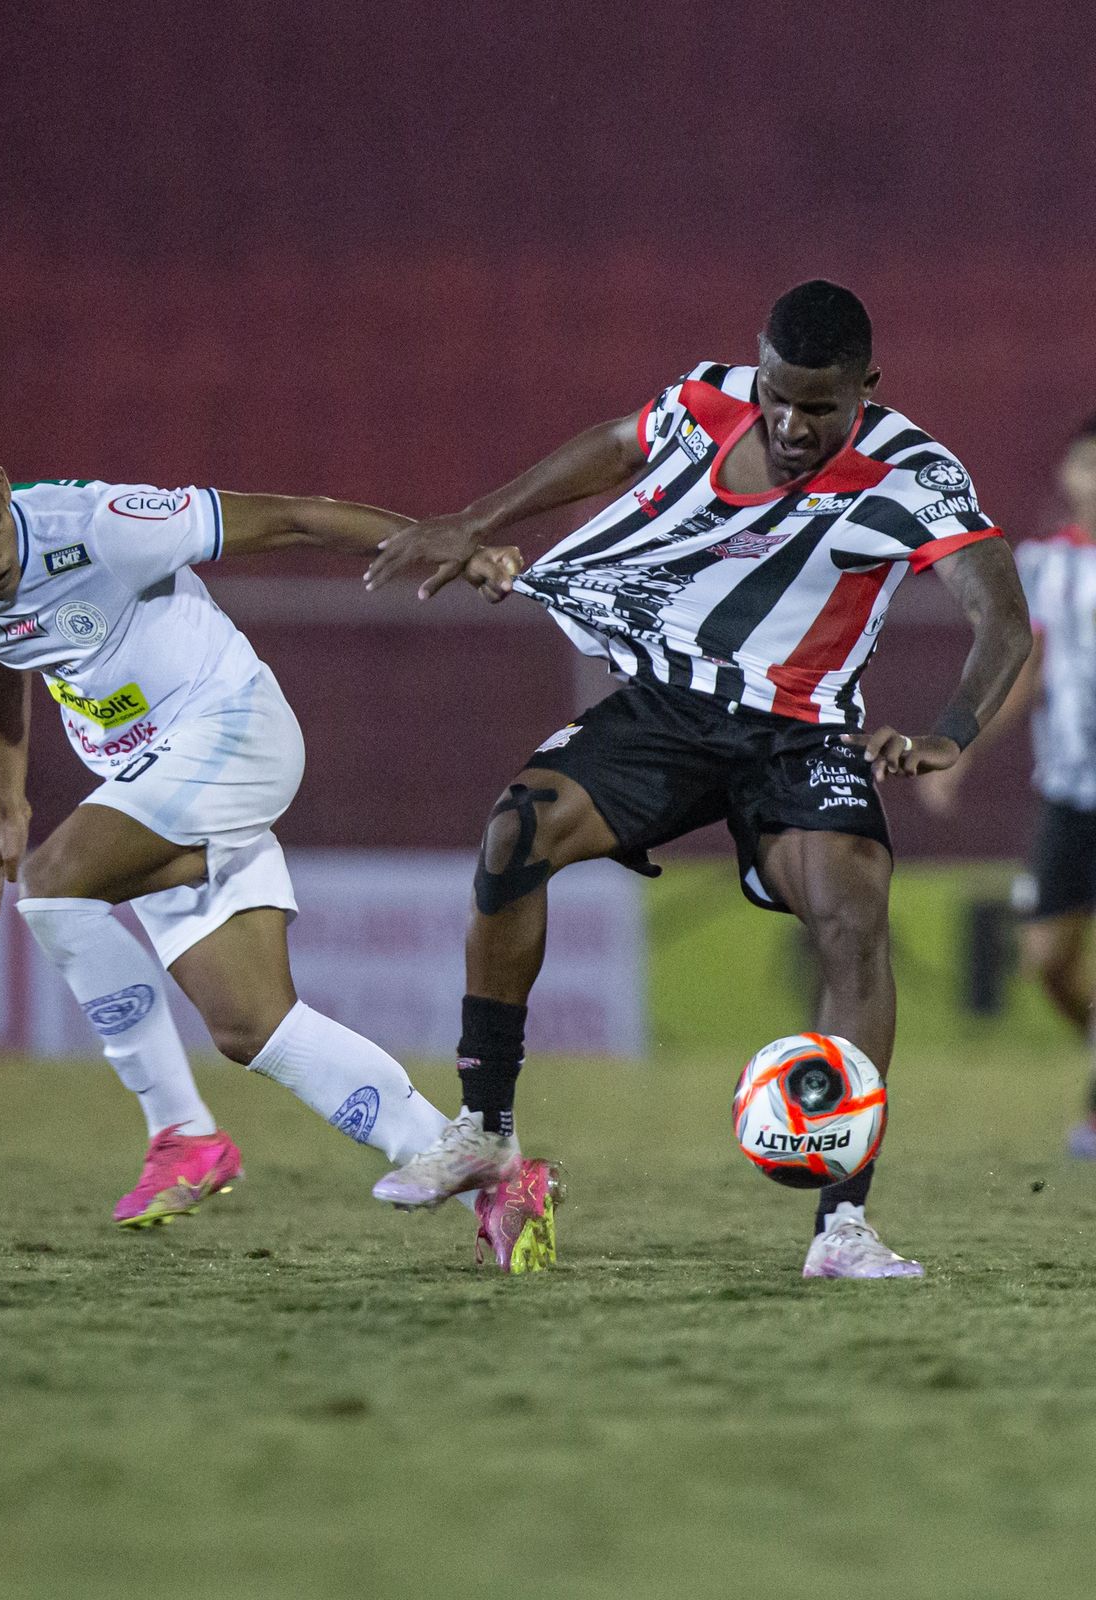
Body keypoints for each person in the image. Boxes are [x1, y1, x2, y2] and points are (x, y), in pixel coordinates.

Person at [364, 280, 1033, 1279]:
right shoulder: (708, 398)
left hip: (801, 734)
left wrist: (949, 730)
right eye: (777, 395)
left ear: (866, 388)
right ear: (754, 371)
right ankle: (485, 1127)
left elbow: (1001, 617)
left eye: (820, 405)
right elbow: (615, 442)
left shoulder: (910, 472)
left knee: (852, 914)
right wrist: (475, 517)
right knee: (514, 831)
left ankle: (840, 1227)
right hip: (669, 709)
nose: (791, 422)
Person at [0, 426, 551, 1271]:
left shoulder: (100, 526)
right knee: (252, 1026)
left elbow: (300, 517)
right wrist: (8, 800)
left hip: (233, 732)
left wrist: (457, 546)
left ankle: (182, 1133)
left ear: (4, 485)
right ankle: (506, 1183)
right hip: (152, 785)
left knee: (54, 886)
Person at [922, 415, 1096, 1156]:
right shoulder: (1045, 564)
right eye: (1087, 464)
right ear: (1069, 474)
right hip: (1069, 786)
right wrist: (961, 747)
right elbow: (1028, 668)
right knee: (1045, 958)